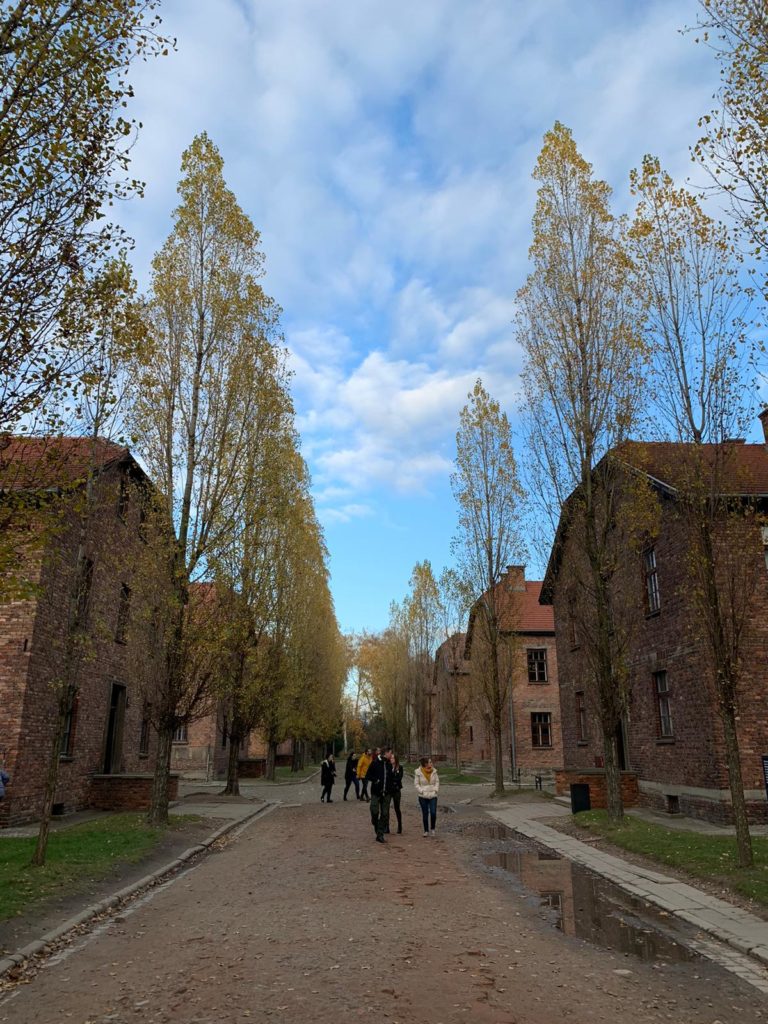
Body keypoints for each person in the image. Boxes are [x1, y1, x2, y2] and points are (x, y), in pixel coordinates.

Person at [366, 746, 393, 843]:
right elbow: (368, 775)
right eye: (390, 753)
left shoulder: (389, 764)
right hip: (376, 792)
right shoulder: (375, 763)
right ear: (385, 753)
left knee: (385, 814)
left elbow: (391, 778)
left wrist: (392, 788)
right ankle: (375, 823)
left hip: (387, 793)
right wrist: (375, 780)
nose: (391, 755)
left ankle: (380, 834)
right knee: (374, 811)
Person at [414, 756, 439, 836]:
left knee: (433, 812)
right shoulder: (418, 772)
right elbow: (416, 784)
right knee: (425, 813)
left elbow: (437, 782)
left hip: (433, 795)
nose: (431, 763)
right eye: (430, 762)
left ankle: (433, 829)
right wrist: (421, 791)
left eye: (431, 762)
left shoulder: (434, 771)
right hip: (423, 796)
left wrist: (435, 789)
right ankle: (426, 830)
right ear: (425, 764)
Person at [389, 751, 404, 834]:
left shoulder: (400, 767)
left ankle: (400, 826)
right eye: (390, 758)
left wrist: (393, 780)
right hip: (389, 790)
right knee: (386, 808)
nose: (391, 759)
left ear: (396, 759)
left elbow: (399, 778)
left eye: (393, 758)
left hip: (396, 790)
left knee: (397, 808)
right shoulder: (388, 766)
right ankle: (386, 827)